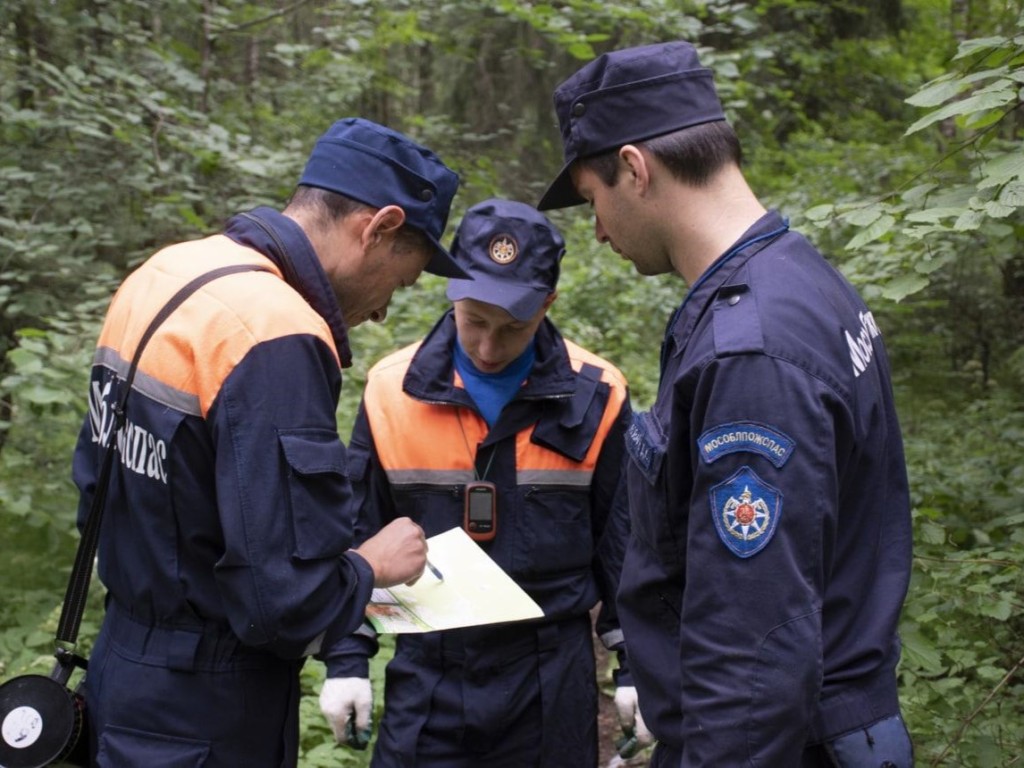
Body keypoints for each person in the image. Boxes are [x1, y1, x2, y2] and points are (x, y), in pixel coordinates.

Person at [537, 41, 915, 767]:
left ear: (636, 169)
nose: (599, 230)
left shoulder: (752, 348)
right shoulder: (801, 280)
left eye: (594, 200)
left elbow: (752, 651)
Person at [71, 117, 467, 766]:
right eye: (398, 283)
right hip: (211, 708)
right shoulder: (275, 334)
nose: (381, 313)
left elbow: (94, 486)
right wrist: (371, 566)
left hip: (124, 670)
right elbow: (282, 604)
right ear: (380, 227)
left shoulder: (167, 273)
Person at [317, 198, 650, 767]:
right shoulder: (391, 391)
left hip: (552, 676)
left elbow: (626, 547)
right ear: (452, 295)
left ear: (547, 304)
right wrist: (347, 658)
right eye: (474, 321)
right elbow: (357, 528)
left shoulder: (598, 396)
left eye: (513, 328)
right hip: (429, 673)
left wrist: (638, 668)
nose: (489, 348)